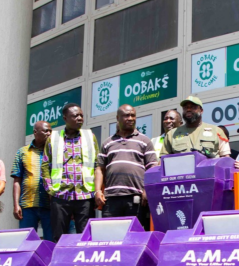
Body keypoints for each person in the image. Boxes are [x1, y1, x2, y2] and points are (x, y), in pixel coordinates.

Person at [95, 104, 158, 228]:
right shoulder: (107, 143)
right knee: (111, 235)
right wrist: (97, 191)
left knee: (135, 235)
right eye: (126, 115)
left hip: (136, 197)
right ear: (117, 118)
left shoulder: (144, 141)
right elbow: (100, 169)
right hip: (111, 198)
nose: (130, 118)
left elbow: (152, 168)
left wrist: (147, 190)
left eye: (133, 115)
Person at [43, 103, 98, 241]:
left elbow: (97, 163)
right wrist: (50, 189)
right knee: (58, 237)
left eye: (81, 116)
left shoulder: (90, 136)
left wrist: (97, 190)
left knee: (86, 237)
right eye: (75, 116)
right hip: (60, 194)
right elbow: (45, 164)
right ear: (65, 118)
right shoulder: (53, 138)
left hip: (85, 195)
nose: (80, 118)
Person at [12, 120, 53, 242]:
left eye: (50, 131)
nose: (49, 133)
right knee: (27, 242)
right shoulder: (22, 152)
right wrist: (16, 204)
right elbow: (17, 180)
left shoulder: (54, 152)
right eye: (45, 131)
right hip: (28, 205)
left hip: (50, 205)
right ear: (35, 132)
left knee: (51, 242)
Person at [162, 96, 231, 158]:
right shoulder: (171, 134)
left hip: (210, 168)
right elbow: (163, 161)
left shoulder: (216, 131)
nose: (188, 109)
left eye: (192, 107)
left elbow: (226, 159)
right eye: (185, 107)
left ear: (201, 110)